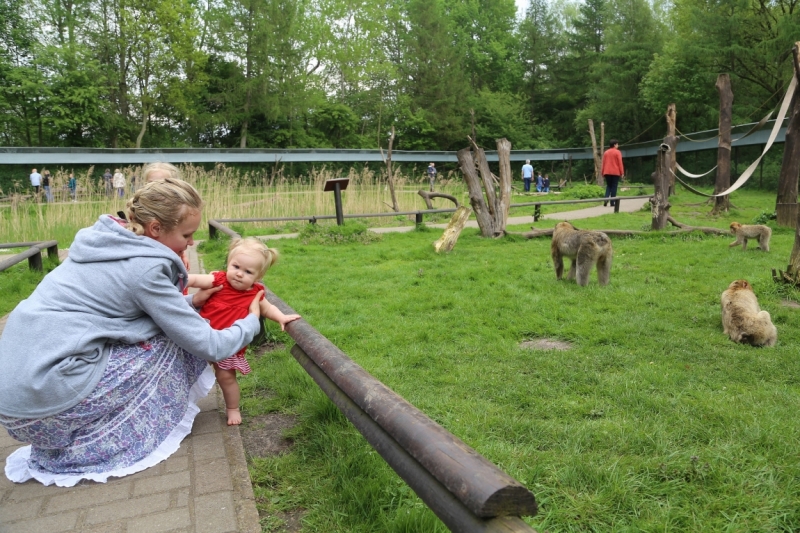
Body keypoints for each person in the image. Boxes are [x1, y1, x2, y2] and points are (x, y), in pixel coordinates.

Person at [0, 178, 262, 487]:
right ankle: (113, 436)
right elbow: (209, 345)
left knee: (174, 326)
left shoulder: (105, 242)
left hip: (13, 396)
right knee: (173, 342)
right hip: (42, 402)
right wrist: (251, 320)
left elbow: (120, 311)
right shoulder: (146, 268)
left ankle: (89, 429)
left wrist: (190, 302)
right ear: (154, 229)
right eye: (187, 235)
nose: (191, 243)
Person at [187, 238, 300, 426]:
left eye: (248, 272)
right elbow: (197, 279)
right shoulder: (219, 280)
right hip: (202, 337)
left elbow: (268, 308)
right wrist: (181, 276)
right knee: (188, 371)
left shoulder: (254, 293)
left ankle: (232, 408)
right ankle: (182, 404)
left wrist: (281, 317)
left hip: (229, 345)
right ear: (228, 263)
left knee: (226, 377)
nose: (239, 274)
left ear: (257, 277)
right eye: (236, 266)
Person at [601, 139, 624, 207]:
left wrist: (602, 172)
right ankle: (612, 202)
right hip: (615, 172)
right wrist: (622, 172)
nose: (618, 145)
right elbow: (620, 163)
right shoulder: (617, 152)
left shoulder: (606, 152)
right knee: (614, 186)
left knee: (608, 186)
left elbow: (603, 163)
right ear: (614, 145)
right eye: (617, 144)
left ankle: (606, 199)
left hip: (607, 172)